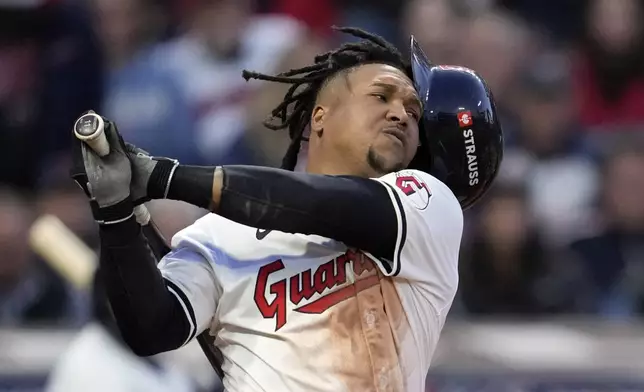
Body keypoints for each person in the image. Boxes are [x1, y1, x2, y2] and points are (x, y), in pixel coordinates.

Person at [70, 27, 503, 391]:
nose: (402, 114)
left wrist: (166, 178)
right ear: (320, 116)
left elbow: (322, 204)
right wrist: (116, 214)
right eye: (382, 96)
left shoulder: (426, 204)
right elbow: (153, 328)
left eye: (412, 109)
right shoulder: (219, 234)